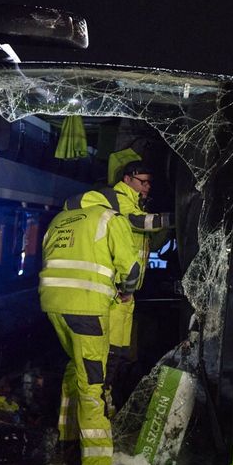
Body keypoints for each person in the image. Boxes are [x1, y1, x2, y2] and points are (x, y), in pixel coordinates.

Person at [40, 183, 144, 465]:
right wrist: (127, 290)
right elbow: (133, 270)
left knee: (75, 369)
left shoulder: (60, 220)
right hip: (87, 310)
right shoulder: (111, 218)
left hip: (54, 306)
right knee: (93, 386)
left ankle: (68, 439)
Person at [63, 159, 173, 409]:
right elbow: (139, 222)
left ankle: (103, 408)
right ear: (127, 179)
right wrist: (174, 218)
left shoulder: (133, 202)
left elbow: (146, 242)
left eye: (149, 183)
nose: (147, 187)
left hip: (125, 294)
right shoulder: (118, 198)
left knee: (117, 357)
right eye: (142, 182)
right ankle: (96, 414)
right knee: (104, 361)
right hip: (114, 293)